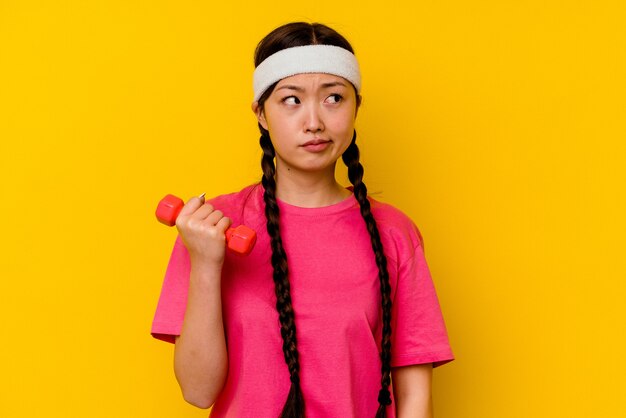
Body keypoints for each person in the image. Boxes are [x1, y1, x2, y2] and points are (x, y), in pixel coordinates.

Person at [151, 22, 454, 418]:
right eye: (291, 100)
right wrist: (207, 264)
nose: (314, 121)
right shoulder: (210, 228)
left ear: (356, 106)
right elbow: (197, 390)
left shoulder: (394, 233)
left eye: (334, 98)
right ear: (260, 113)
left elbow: (415, 398)